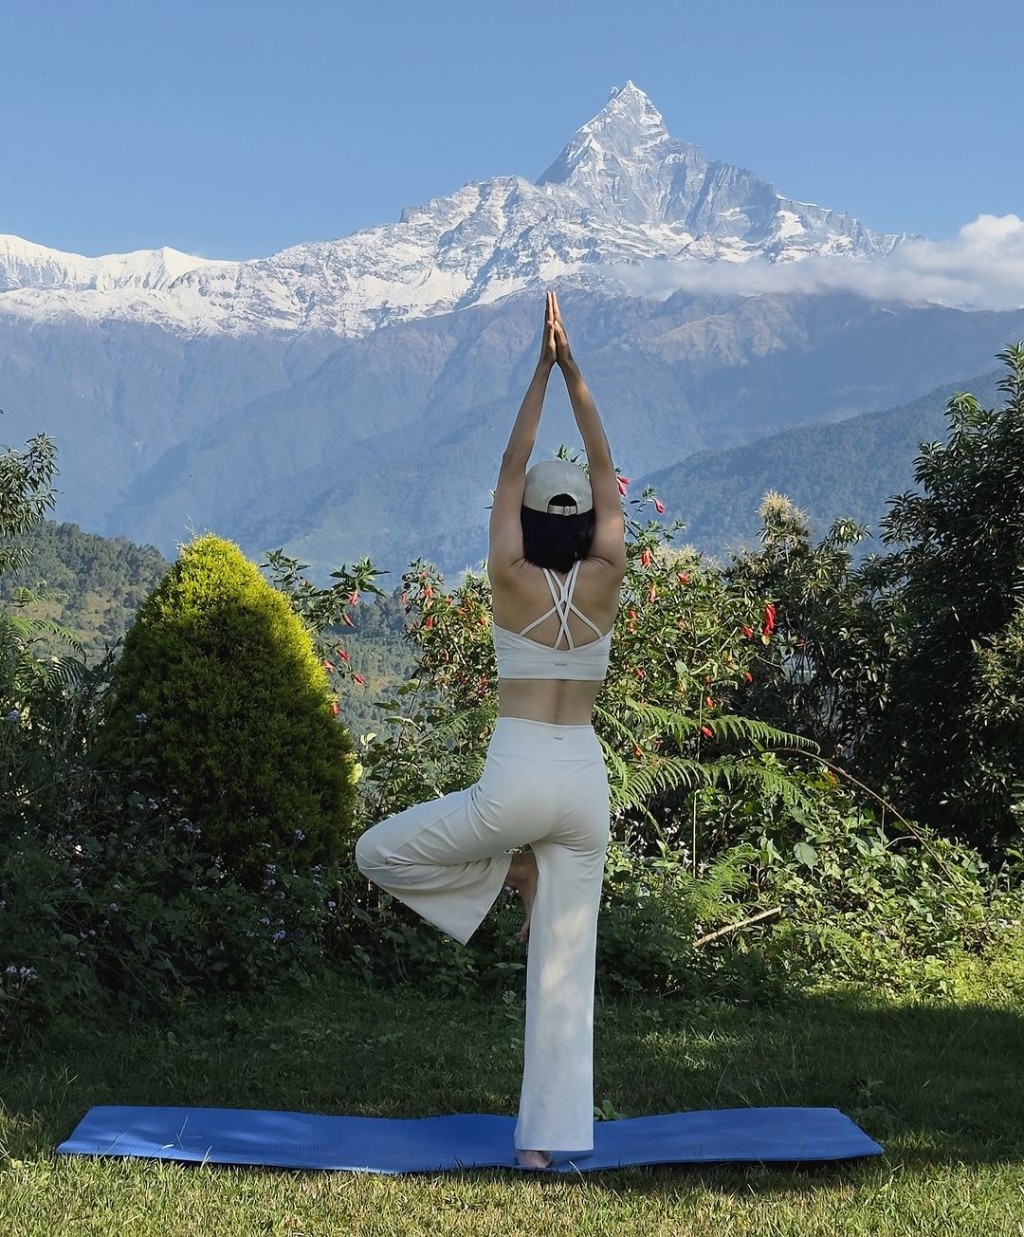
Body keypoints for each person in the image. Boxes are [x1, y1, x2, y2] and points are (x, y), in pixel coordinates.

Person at [355, 290, 626, 1169]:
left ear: (525, 519)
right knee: (566, 970)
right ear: (584, 521)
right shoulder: (608, 575)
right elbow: (605, 466)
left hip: (515, 780)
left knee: (380, 851)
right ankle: (545, 1148)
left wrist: (539, 372)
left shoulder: (509, 576)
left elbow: (512, 463)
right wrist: (578, 371)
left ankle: (511, 872)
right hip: (585, 785)